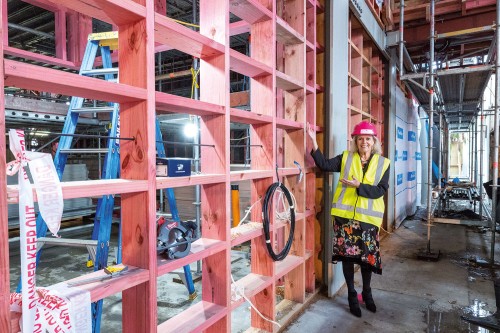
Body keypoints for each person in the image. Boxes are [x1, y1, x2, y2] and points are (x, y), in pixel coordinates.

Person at [307, 121, 390, 317]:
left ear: (374, 141)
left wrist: (358, 185)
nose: (364, 142)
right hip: (345, 220)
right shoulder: (346, 158)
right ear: (355, 141)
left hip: (368, 221)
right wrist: (313, 142)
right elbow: (325, 165)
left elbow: (380, 191)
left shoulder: (383, 163)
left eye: (368, 139)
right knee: (347, 259)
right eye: (360, 138)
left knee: (366, 261)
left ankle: (367, 294)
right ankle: (352, 295)